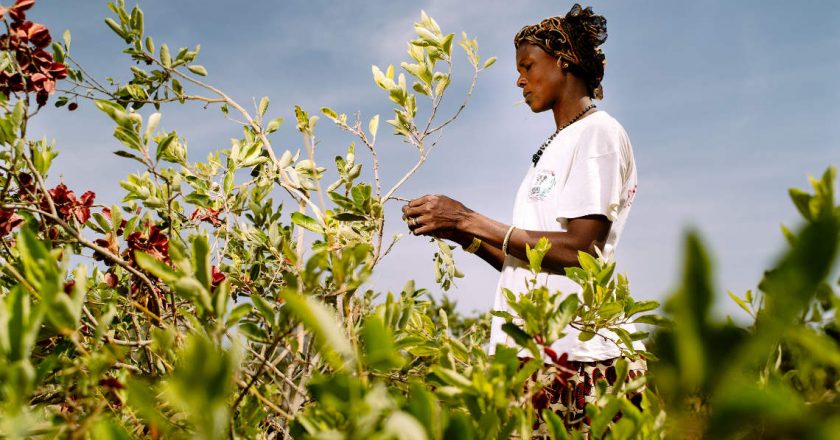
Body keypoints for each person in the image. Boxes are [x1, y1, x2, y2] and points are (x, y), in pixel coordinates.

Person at [402, 4, 644, 430]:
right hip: (537, 355)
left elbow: (580, 251)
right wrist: (462, 236)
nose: (519, 80)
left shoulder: (598, 134)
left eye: (528, 65)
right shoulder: (557, 146)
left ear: (563, 61)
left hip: (582, 361)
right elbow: (530, 264)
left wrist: (465, 218)